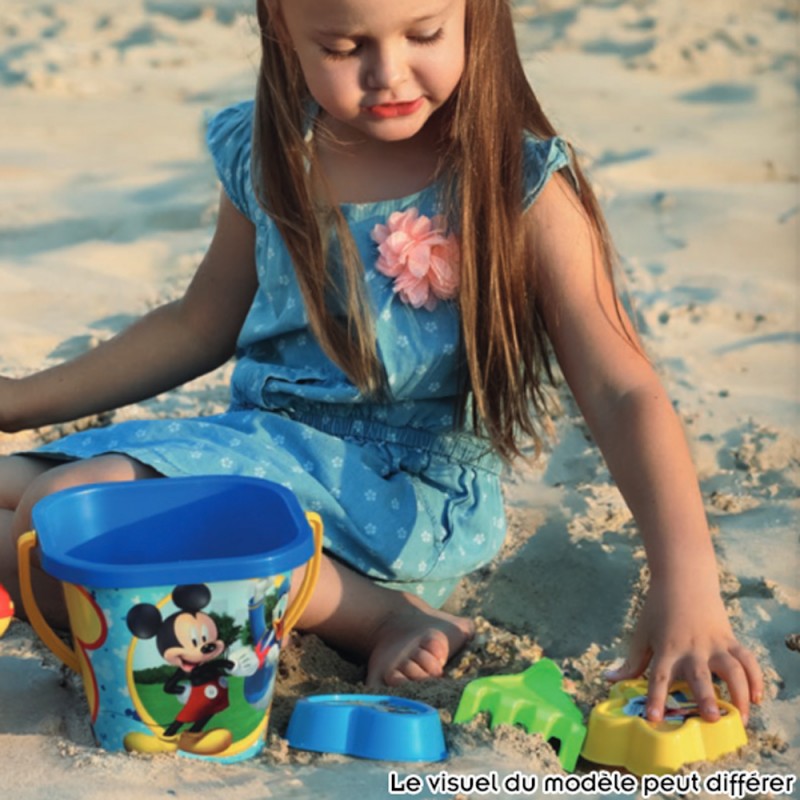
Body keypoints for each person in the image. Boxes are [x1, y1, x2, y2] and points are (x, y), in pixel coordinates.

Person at [0, 0, 762, 726]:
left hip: (396, 503)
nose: (388, 73)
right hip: (264, 448)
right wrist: (18, 402)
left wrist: (687, 583)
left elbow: (622, 389)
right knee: (34, 513)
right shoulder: (273, 151)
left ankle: (385, 619)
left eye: (423, 34)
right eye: (344, 47)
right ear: (281, 27)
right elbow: (198, 323)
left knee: (63, 505)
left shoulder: (516, 184)